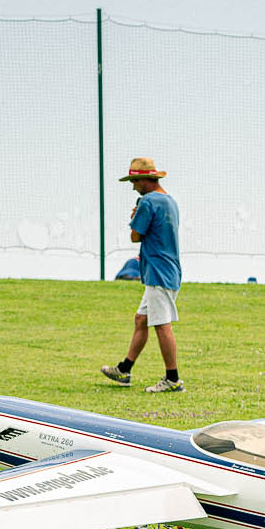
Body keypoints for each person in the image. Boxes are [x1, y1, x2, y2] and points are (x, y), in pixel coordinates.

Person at [100, 157, 186, 393]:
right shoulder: (170, 201)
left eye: (135, 181)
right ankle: (124, 369)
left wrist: (135, 217)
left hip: (158, 271)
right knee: (142, 319)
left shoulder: (148, 202)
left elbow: (135, 236)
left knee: (161, 324)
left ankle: (173, 379)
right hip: (168, 269)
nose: (133, 186)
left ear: (146, 180)